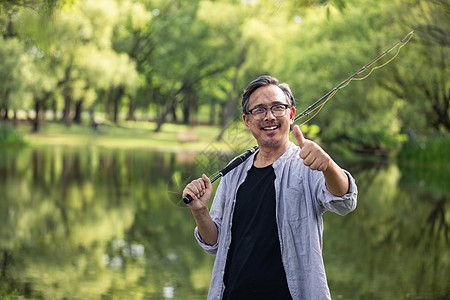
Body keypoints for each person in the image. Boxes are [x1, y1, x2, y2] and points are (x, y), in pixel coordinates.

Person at [182, 75, 358, 300]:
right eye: (259, 110)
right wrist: (200, 211)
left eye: (278, 107)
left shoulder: (307, 163)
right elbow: (214, 242)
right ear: (247, 120)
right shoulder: (233, 172)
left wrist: (329, 166)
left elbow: (345, 202)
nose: (269, 116)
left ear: (291, 114)